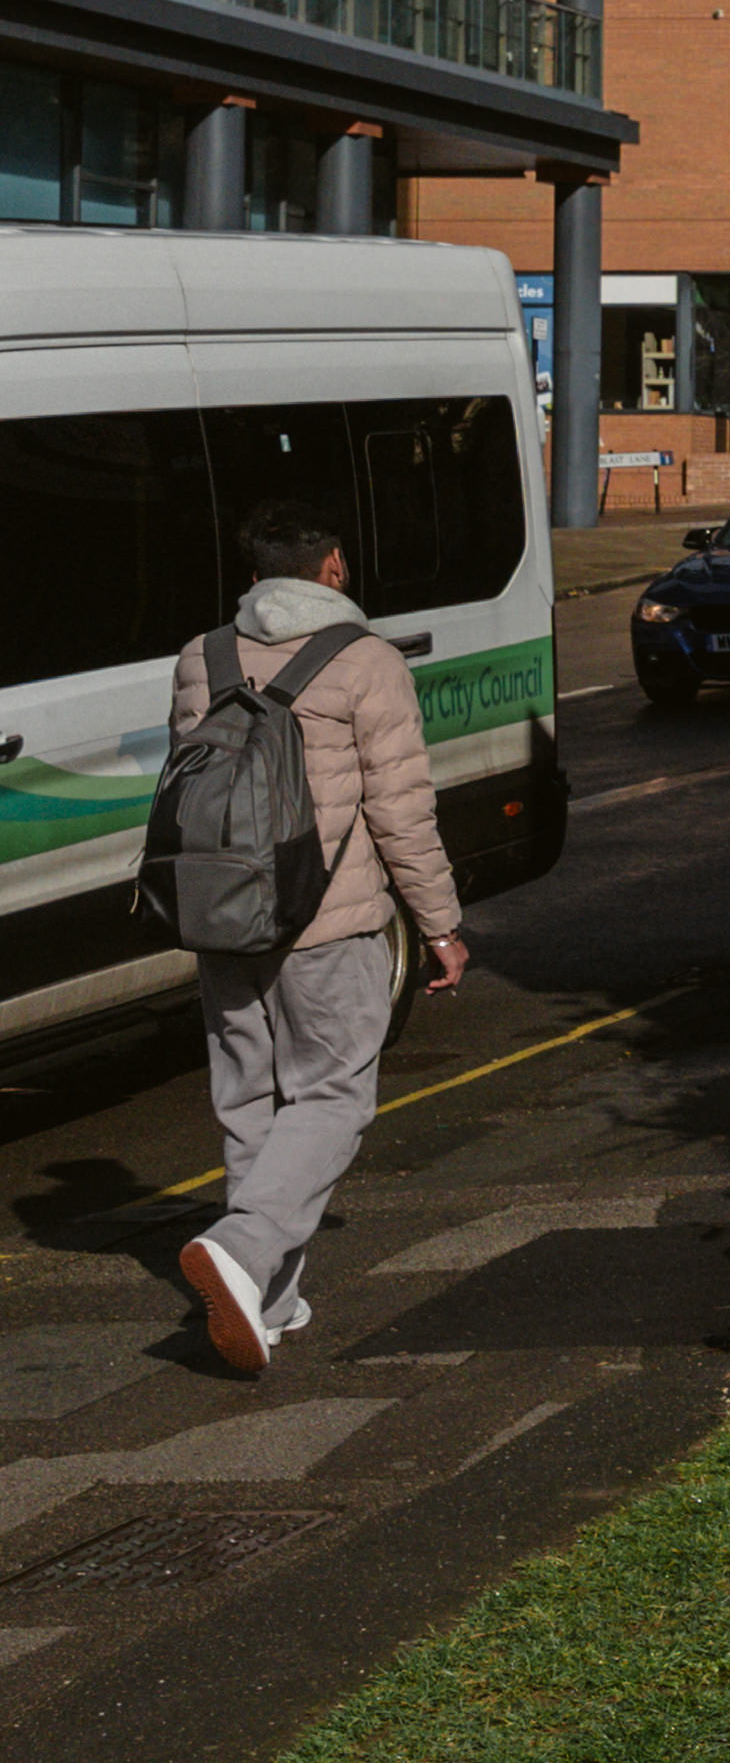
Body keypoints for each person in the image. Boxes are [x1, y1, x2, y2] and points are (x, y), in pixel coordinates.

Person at [173, 496, 468, 1379]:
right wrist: (441, 924)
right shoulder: (365, 661)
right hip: (327, 923)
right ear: (334, 567)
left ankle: (267, 1294)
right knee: (334, 1095)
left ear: (252, 573)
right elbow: (401, 811)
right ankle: (245, 1243)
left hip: (223, 916)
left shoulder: (203, 655)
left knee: (249, 1100)